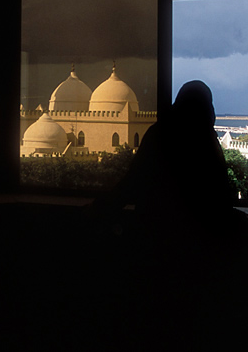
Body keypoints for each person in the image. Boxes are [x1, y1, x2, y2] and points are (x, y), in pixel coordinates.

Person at [86, 80, 236, 239]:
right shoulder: (206, 142)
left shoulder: (160, 134)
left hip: (156, 231)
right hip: (199, 237)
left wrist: (98, 208)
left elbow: (134, 182)